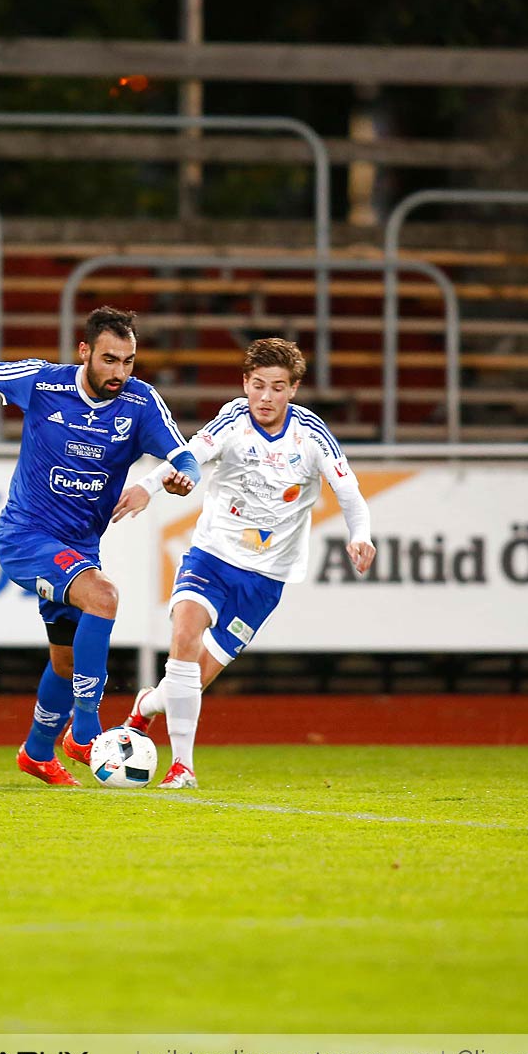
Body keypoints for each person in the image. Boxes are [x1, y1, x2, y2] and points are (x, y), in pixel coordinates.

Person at [0, 306, 200, 786]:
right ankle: (85, 732)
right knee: (103, 597)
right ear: (84, 352)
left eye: (129, 361)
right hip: (25, 536)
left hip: (79, 547)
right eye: (110, 360)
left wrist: (184, 480)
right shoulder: (44, 382)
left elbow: (184, 456)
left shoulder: (141, 404)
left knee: (67, 663)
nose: (120, 372)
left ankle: (37, 752)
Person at [109, 337, 374, 789]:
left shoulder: (311, 436)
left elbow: (349, 495)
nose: (265, 397)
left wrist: (361, 535)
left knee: (190, 682)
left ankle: (144, 707)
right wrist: (148, 487)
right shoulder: (233, 421)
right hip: (212, 555)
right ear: (244, 383)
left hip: (267, 578)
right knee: (184, 636)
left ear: (293, 389)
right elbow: (187, 454)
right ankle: (182, 767)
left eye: (276, 387)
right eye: (257, 385)